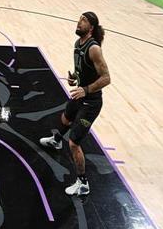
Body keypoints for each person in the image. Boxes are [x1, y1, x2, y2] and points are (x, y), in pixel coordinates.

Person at [39, 12, 110, 196]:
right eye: (79, 19)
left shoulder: (94, 48)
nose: (79, 22)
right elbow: (85, 72)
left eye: (83, 20)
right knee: (65, 118)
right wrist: (75, 79)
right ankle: (56, 142)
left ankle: (83, 183)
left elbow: (106, 78)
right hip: (80, 95)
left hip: (91, 102)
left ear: (91, 28)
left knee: (73, 143)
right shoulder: (78, 44)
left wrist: (86, 89)